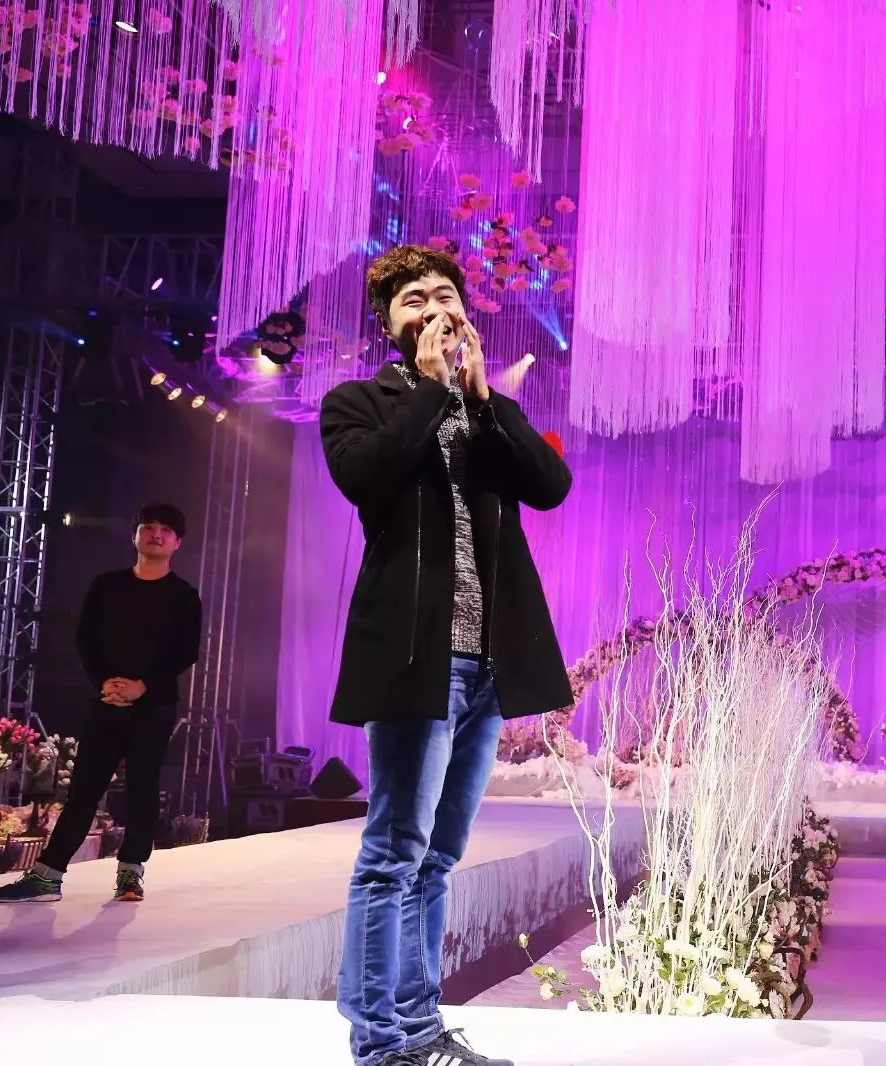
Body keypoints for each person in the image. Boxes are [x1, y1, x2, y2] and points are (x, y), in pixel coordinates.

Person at [321, 244, 573, 1066]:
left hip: (487, 667)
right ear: (388, 325)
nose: (432, 308)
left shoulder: (486, 410)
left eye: (444, 295)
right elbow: (367, 477)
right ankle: (379, 1042)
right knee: (393, 854)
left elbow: (550, 485)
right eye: (412, 301)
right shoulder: (359, 403)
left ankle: (421, 1028)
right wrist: (431, 389)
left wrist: (484, 399)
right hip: (414, 660)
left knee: (438, 858)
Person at [0, 503, 202, 905]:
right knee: (84, 790)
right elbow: (86, 639)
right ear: (134, 536)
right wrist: (106, 682)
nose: (156, 534)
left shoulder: (185, 596)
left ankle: (130, 874)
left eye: (166, 530)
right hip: (106, 700)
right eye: (148, 527)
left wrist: (142, 687)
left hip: (154, 706)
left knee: (142, 789)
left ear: (178, 543)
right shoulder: (106, 585)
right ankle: (47, 877)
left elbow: (185, 651)